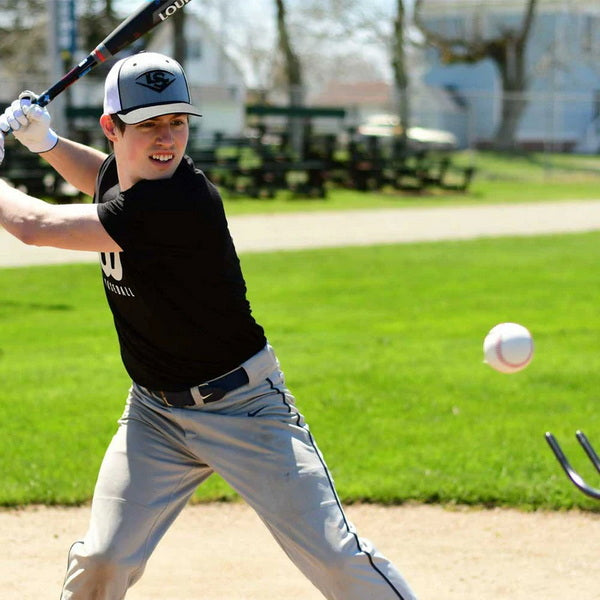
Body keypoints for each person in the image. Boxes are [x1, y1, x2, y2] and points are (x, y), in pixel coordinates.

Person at [0, 52, 418, 600]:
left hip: (246, 409)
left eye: (177, 122)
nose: (167, 138)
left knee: (337, 561)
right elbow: (99, 175)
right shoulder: (131, 177)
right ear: (112, 129)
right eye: (149, 124)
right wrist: (46, 144)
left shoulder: (179, 198)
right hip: (153, 415)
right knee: (102, 559)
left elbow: (35, 226)